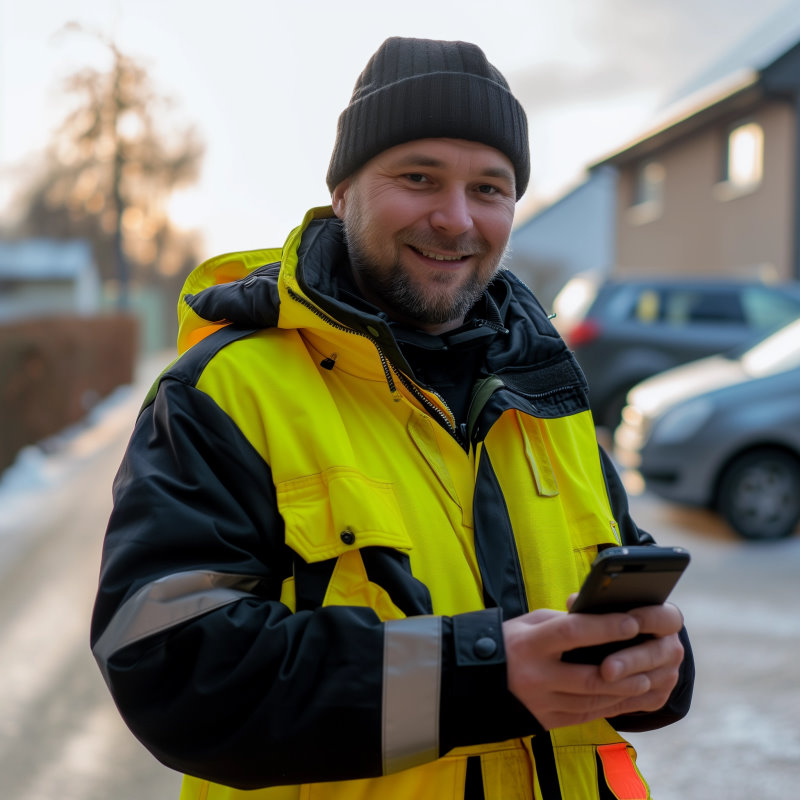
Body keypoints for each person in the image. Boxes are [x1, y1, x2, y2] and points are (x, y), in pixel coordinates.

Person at [91, 36, 694, 800]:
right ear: (343, 193)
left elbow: (626, 585)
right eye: (419, 178)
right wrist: (478, 676)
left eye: (489, 188)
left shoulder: (546, 393)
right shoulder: (227, 390)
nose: (456, 218)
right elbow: (172, 669)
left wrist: (658, 667)